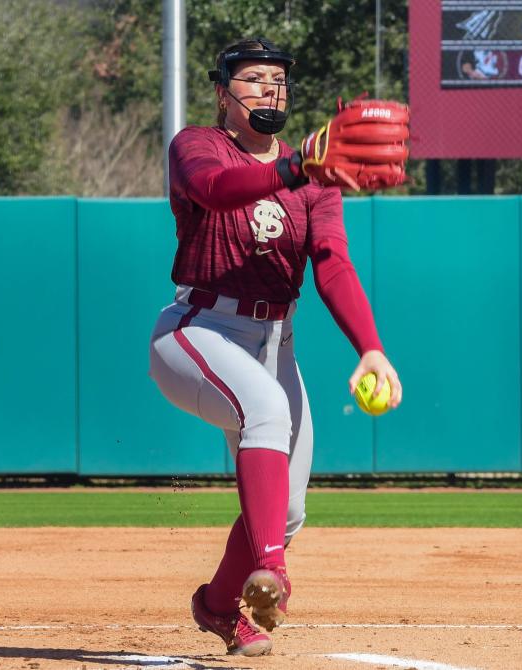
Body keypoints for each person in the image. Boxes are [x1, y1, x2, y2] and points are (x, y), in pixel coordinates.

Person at [148, 37, 403, 657]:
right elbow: (216, 189)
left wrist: (370, 348)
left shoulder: (313, 179)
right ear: (222, 91)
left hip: (275, 339)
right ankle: (274, 576)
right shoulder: (198, 145)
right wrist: (294, 169)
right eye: (255, 78)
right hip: (199, 330)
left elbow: (332, 264)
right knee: (265, 409)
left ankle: (217, 605)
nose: (269, 88)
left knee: (284, 513)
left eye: (279, 79)